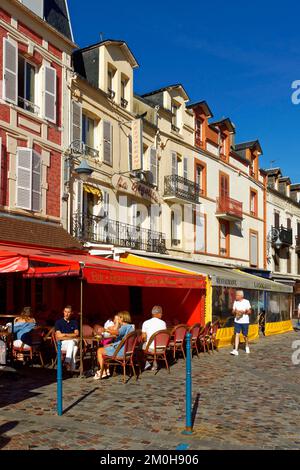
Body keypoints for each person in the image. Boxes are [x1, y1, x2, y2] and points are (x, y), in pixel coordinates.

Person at [94, 311, 134, 380]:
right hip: (127, 351)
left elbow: (117, 332)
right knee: (105, 347)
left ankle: (103, 371)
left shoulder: (124, 327)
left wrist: (105, 330)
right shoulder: (131, 327)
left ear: (122, 318)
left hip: (120, 352)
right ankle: (107, 370)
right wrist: (111, 344)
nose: (117, 319)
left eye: (119, 318)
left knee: (99, 351)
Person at [141, 305, 167, 371]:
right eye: (161, 313)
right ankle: (154, 362)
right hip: (161, 348)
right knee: (147, 345)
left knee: (139, 346)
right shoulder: (163, 323)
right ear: (157, 314)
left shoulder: (146, 323)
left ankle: (146, 362)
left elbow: (144, 337)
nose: (162, 314)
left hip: (151, 348)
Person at [55, 305, 79, 371]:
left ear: (71, 313)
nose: (67, 314)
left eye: (68, 312)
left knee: (74, 347)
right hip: (62, 344)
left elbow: (77, 334)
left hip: (71, 343)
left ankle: (68, 366)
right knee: (74, 345)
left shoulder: (74, 322)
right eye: (65, 312)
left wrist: (65, 335)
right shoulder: (58, 322)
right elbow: (59, 335)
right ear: (63, 312)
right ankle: (70, 366)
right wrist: (71, 335)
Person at [230, 290, 252, 356]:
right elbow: (232, 311)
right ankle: (236, 350)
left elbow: (250, 312)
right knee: (237, 334)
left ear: (241, 296)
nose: (235, 296)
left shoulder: (246, 302)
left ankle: (247, 345)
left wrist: (244, 312)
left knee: (245, 335)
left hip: (245, 321)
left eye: (237, 295)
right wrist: (235, 311)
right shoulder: (235, 302)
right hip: (237, 321)